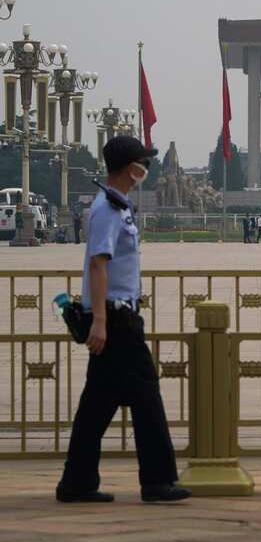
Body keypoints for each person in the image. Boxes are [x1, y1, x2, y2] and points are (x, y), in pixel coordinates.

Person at [56, 135, 190, 505]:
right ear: (130, 167)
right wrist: (98, 320)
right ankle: (158, 481)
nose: (146, 168)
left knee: (97, 403)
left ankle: (77, 482)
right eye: (142, 162)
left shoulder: (116, 206)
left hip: (118, 315)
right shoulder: (106, 210)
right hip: (114, 319)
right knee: (146, 396)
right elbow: (99, 263)